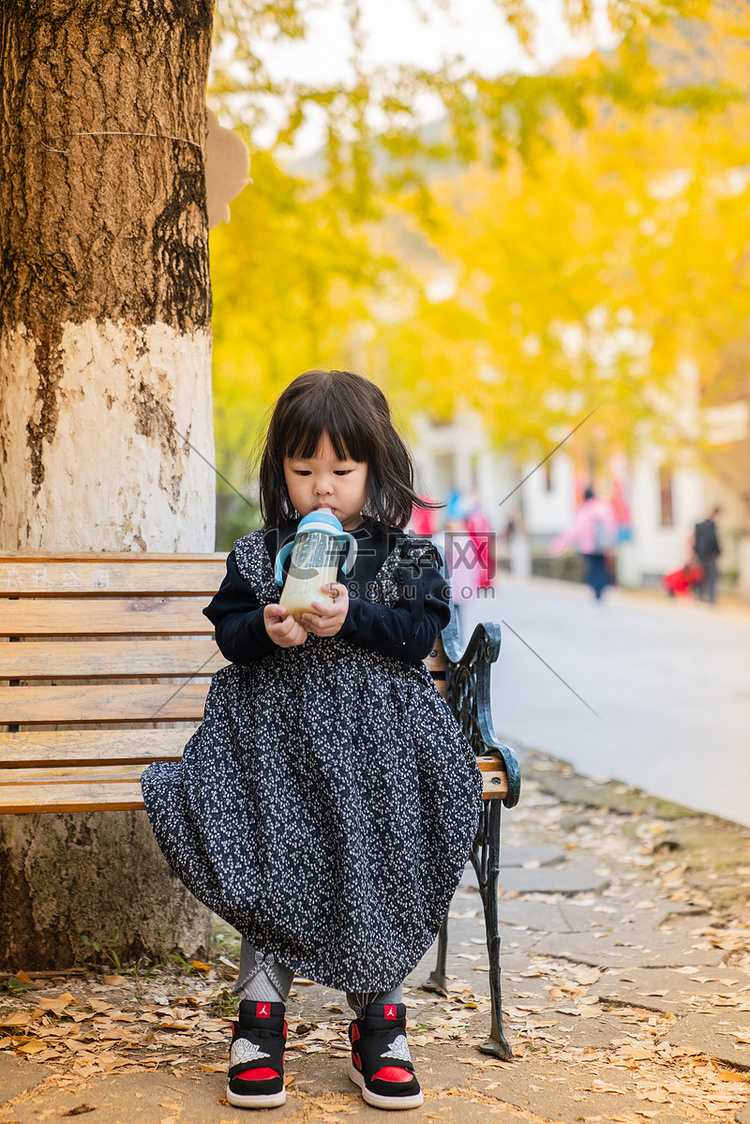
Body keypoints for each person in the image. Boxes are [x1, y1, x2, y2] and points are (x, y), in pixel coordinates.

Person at [141, 369, 482, 1112]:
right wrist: (264, 627)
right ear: (281, 473)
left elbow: (420, 633)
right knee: (273, 845)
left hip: (379, 750)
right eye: (304, 470)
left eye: (341, 470)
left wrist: (352, 616)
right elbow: (230, 635)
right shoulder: (260, 554)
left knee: (378, 847)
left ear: (375, 469)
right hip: (276, 745)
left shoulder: (405, 557)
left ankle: (380, 1019)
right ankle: (260, 1018)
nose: (322, 488)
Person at [550, 485, 618, 602]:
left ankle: (597, 595)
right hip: (602, 545)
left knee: (593, 570)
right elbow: (611, 526)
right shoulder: (604, 506)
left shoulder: (585, 510)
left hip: (589, 546)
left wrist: (557, 546)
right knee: (601, 567)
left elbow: (574, 530)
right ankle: (604, 589)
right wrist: (610, 542)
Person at [693, 507, 721, 604]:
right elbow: (714, 540)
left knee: (702, 576)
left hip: (700, 556)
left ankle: (700, 596)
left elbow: (696, 541)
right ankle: (711, 599)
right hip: (710, 556)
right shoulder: (711, 525)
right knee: (712, 577)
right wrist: (719, 552)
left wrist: (696, 553)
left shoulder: (699, 525)